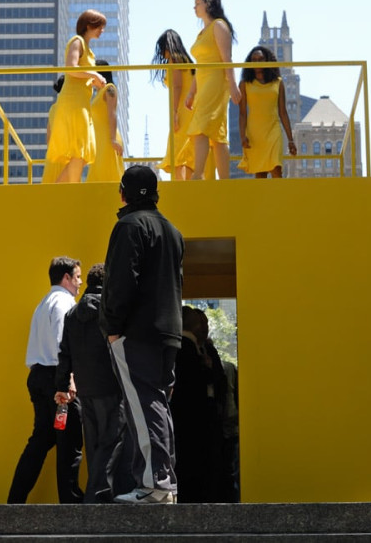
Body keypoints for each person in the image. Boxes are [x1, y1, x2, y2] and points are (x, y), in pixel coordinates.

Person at [102, 165, 185, 504]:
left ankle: (155, 485)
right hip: (170, 332)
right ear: (156, 194)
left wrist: (112, 328)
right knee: (157, 405)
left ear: (123, 193)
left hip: (136, 332)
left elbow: (122, 282)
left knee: (142, 405)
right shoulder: (173, 231)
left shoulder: (128, 226)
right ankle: (162, 481)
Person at [7, 257, 84, 504]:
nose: (80, 282)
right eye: (77, 277)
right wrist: (67, 381)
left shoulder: (43, 304)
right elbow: (62, 343)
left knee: (41, 440)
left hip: (39, 376)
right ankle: (70, 502)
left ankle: (15, 499)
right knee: (69, 442)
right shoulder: (64, 303)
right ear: (66, 278)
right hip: (56, 378)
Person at [55, 263, 131, 503]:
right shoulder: (111, 311)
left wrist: (61, 385)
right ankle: (94, 496)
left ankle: (101, 498)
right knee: (112, 442)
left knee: (95, 444)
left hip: (86, 389)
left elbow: (64, 353)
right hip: (112, 385)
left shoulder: (72, 314)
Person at [171, 307, 230, 503]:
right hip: (194, 417)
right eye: (201, 323)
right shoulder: (187, 349)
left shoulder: (198, 348)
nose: (205, 328)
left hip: (193, 417)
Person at [186, 0, 242, 180]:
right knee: (217, 133)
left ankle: (198, 174)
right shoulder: (202, 32)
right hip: (203, 83)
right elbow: (199, 66)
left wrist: (233, 85)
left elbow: (227, 58)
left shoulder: (219, 26)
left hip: (216, 82)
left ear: (208, 4)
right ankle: (224, 179)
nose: (194, 7)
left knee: (201, 127)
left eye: (198, 3)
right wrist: (191, 92)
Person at [46, 9, 107, 183]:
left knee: (83, 152)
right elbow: (71, 68)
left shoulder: (89, 51)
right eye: (100, 27)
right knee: (80, 150)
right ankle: (71, 188)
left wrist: (95, 82)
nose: (102, 31)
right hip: (73, 102)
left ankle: (60, 188)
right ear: (89, 25)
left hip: (82, 102)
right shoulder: (77, 41)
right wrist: (94, 75)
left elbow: (82, 76)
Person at [237, 45, 296, 178]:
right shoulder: (245, 84)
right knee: (260, 174)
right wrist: (242, 136)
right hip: (254, 135)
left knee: (276, 170)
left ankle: (280, 199)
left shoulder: (278, 83)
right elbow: (242, 113)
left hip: (273, 132)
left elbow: (283, 113)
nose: (257, 62)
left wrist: (291, 140)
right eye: (254, 59)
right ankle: (263, 199)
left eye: (261, 59)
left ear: (267, 60)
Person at [153, 29, 196, 180]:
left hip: (182, 110)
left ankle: (180, 188)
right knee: (188, 154)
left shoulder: (175, 60)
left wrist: (174, 112)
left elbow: (177, 86)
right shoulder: (186, 60)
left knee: (178, 152)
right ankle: (188, 189)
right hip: (191, 110)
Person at [86, 60, 125, 183]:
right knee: (98, 176)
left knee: (107, 176)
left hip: (108, 139)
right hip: (99, 141)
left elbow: (112, 113)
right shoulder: (97, 94)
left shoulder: (109, 88)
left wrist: (112, 139)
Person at [41, 78, 65, 185]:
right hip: (67, 159)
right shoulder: (70, 107)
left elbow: (48, 137)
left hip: (52, 159)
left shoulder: (53, 108)